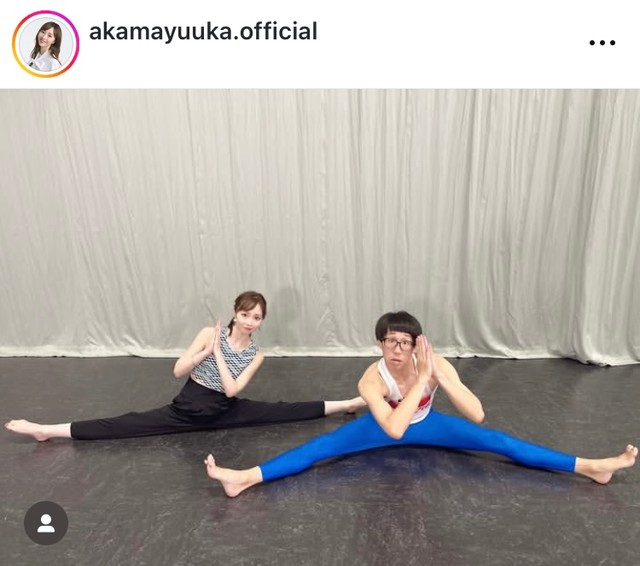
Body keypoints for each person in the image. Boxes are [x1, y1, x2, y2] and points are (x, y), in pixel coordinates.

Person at [205, 310, 637, 497]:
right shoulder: (371, 378)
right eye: (390, 342)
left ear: (415, 344)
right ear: (379, 344)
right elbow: (394, 429)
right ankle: (244, 478)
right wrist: (422, 380)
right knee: (318, 449)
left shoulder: (434, 363)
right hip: (380, 428)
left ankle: (590, 467)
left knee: (500, 441)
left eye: (405, 342)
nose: (397, 350)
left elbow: (477, 414)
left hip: (430, 424)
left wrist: (440, 377)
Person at [5, 291, 365, 441]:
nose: (250, 322)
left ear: (261, 321)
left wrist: (218, 354)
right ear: (235, 313)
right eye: (245, 315)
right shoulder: (208, 334)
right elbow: (178, 371)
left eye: (257, 318)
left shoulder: (257, 354)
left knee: (285, 411)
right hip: (188, 408)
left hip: (224, 409)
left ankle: (348, 403)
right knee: (123, 425)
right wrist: (204, 352)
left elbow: (232, 390)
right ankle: (46, 430)